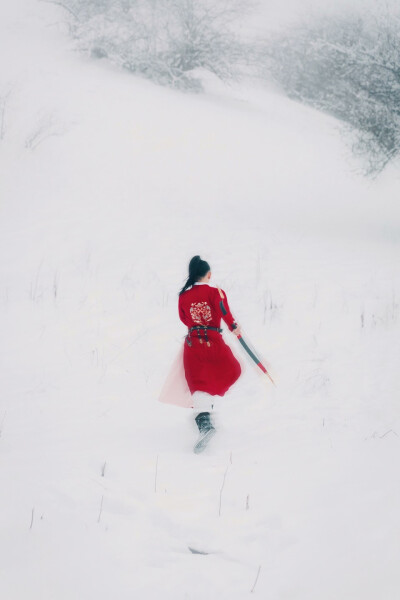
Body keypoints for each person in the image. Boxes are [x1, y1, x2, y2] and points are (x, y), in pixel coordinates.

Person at [178, 255, 242, 453]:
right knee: (231, 369)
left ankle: (204, 420)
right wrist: (233, 327)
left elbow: (183, 318)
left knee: (197, 383)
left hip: (192, 343)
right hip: (212, 341)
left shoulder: (183, 296)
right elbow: (224, 311)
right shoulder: (216, 292)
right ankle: (207, 414)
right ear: (208, 274)